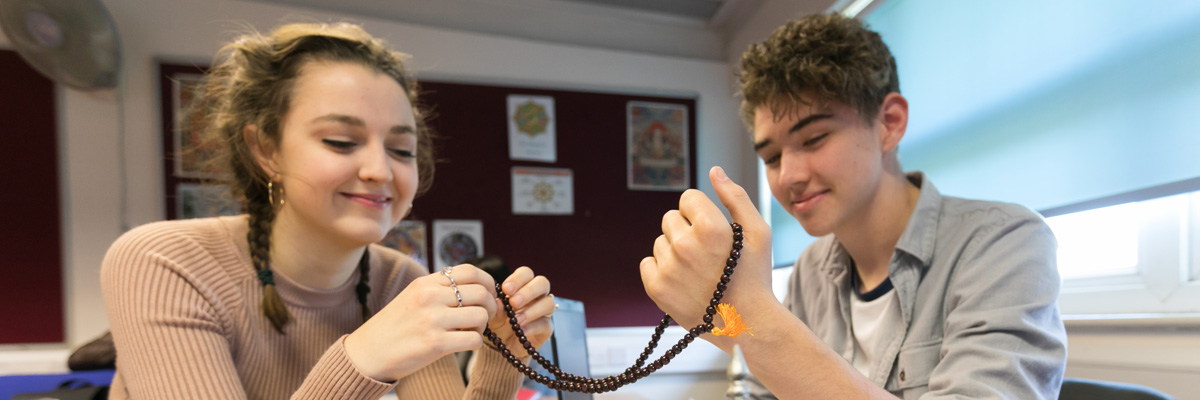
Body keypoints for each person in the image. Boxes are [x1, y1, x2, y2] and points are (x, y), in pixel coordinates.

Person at [101, 22, 555, 399]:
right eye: (340, 141)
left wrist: (500, 361)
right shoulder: (162, 262)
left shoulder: (401, 283)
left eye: (401, 149)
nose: (380, 170)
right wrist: (361, 359)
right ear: (266, 151)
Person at [639, 14, 1067, 399]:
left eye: (814, 139)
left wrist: (753, 319)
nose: (787, 176)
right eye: (770, 157)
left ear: (889, 123)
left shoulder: (1005, 243)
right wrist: (739, 326)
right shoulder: (811, 270)